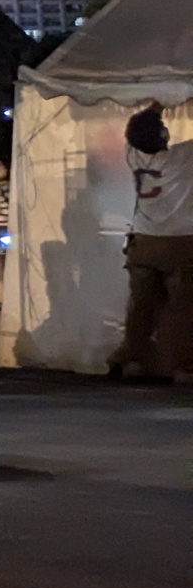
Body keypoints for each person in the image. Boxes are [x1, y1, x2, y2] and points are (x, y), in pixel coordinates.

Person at [108, 104, 192, 384]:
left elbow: (140, 130)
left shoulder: (134, 156)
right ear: (164, 135)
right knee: (183, 309)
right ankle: (184, 367)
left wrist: (154, 107)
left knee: (140, 309)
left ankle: (131, 359)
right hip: (181, 243)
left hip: (143, 241)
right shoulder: (183, 157)